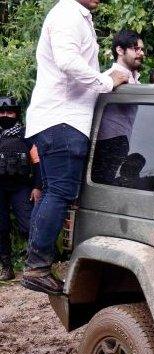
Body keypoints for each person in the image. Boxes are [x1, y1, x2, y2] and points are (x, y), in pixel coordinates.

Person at [22, 0, 129, 294]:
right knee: (59, 192)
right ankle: (36, 267)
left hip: (60, 120)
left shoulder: (78, 16)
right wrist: (106, 81)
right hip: (63, 119)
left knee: (53, 192)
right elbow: (68, 62)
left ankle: (36, 264)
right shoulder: (67, 13)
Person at [91, 29, 144, 183]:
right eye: (135, 49)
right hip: (108, 142)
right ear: (119, 50)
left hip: (121, 141)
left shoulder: (135, 79)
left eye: (142, 49)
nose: (141, 53)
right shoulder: (108, 78)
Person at [0, 97, 41, 281]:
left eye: (9, 112)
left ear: (16, 113)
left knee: (28, 225)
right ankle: (6, 267)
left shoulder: (27, 135)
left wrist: (37, 186)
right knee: (1, 228)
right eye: (2, 112)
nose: (5, 115)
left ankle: (34, 264)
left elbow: (38, 162)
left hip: (21, 187)